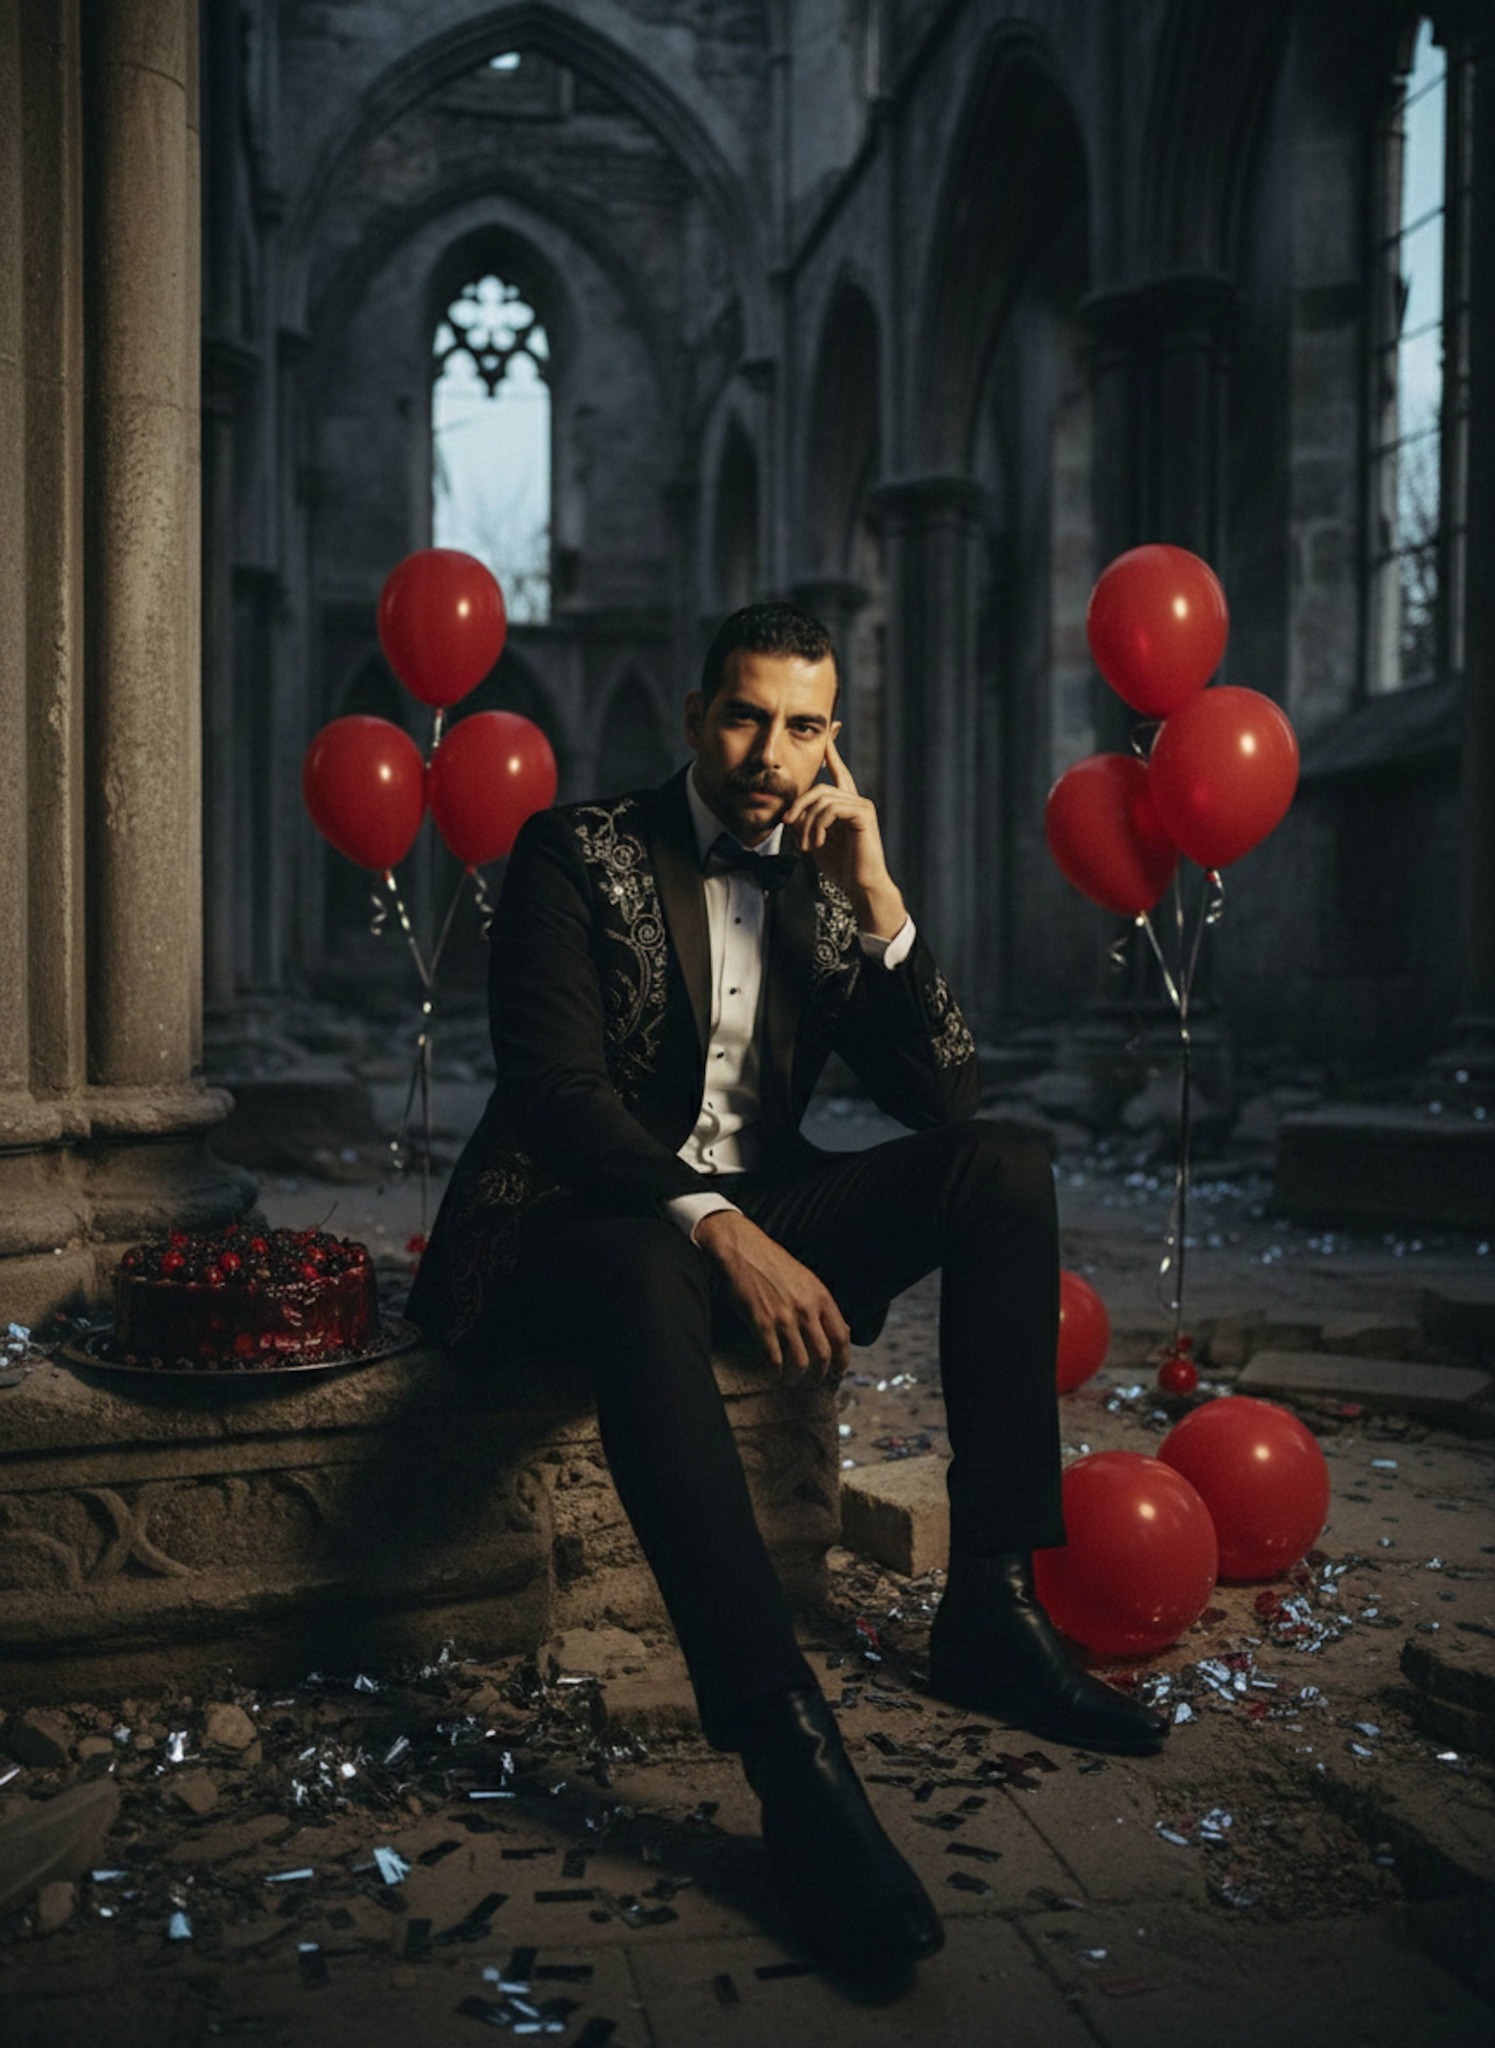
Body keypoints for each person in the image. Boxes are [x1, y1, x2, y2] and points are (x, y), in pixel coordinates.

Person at [408, 601, 1165, 1973]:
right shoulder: (575, 852)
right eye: (748, 716)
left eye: (804, 725)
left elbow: (946, 1099)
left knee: (1000, 1167)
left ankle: (992, 1608)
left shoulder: (824, 883)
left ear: (832, 739)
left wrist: (881, 904)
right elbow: (557, 1095)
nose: (772, 751)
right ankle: (786, 1750)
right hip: (570, 1221)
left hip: (755, 1198)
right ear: (697, 716)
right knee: (650, 1260)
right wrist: (717, 1227)